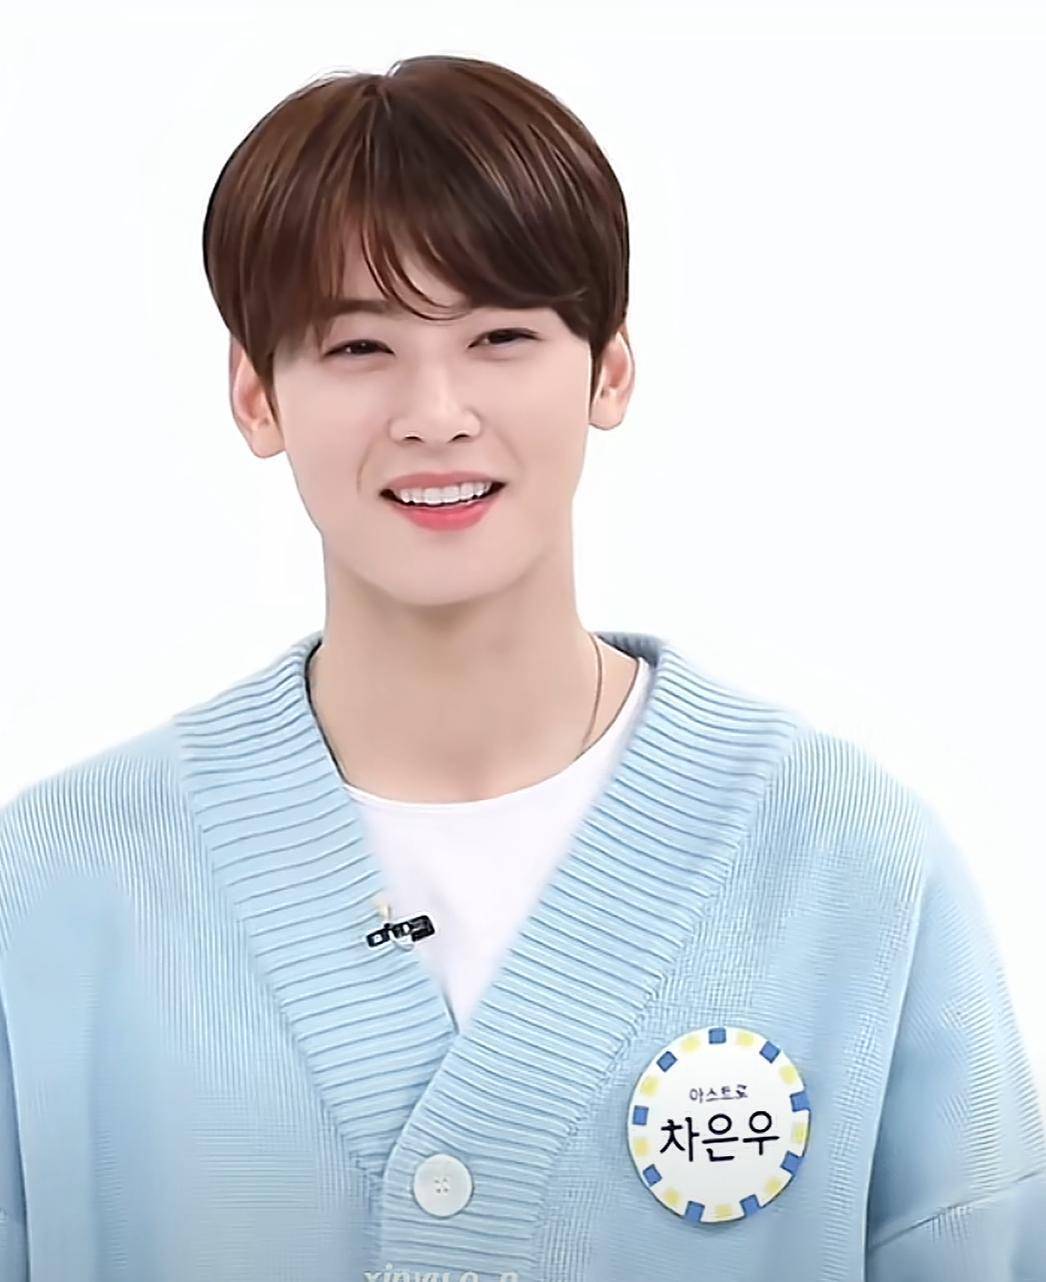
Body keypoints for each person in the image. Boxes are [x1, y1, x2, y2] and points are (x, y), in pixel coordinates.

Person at [1, 53, 1043, 1282]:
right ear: (254, 393)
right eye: (357, 346)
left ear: (609, 368)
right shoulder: (54, 887)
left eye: (500, 335)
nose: (434, 411)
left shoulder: (851, 865)